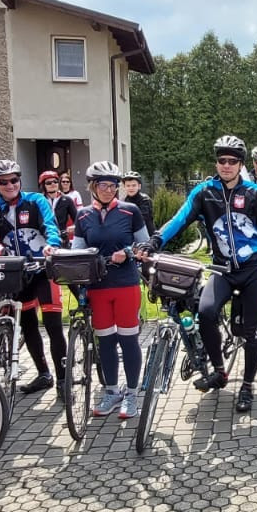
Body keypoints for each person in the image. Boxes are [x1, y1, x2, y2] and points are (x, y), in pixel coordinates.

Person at [153, 135, 257, 412]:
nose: (226, 165)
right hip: (222, 268)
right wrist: (156, 240)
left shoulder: (254, 194)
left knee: (251, 332)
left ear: (241, 165)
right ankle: (220, 372)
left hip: (252, 270)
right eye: (222, 160)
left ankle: (247, 386)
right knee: (206, 312)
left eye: (232, 161)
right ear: (216, 163)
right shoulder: (204, 192)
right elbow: (180, 218)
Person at [0, 159, 67, 394]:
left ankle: (63, 380)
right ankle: (44, 374)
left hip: (43, 270)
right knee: (28, 326)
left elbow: (50, 225)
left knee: (53, 326)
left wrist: (53, 244)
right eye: (3, 182)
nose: (10, 185)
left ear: (19, 180)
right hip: (17, 274)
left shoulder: (35, 201)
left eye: (14, 180)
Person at [71, 162, 151, 419]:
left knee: (128, 339)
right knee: (105, 341)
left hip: (126, 284)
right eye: (103, 185)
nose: (109, 190)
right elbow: (77, 251)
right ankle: (112, 392)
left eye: (113, 185)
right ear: (92, 187)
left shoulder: (130, 211)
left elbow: (145, 244)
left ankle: (132, 393)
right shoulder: (83, 215)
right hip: (98, 287)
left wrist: (127, 252)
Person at [39, 170, 80, 246]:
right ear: (43, 185)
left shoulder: (67, 200)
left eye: (55, 182)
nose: (53, 184)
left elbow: (77, 220)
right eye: (49, 183)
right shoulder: (39, 200)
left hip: (62, 239)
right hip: (43, 240)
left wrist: (73, 227)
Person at [121, 170, 156, 237]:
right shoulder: (123, 201)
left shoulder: (145, 200)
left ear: (139, 186)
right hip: (130, 236)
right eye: (128, 186)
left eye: (134, 185)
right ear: (124, 187)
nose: (131, 188)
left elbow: (142, 218)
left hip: (147, 236)